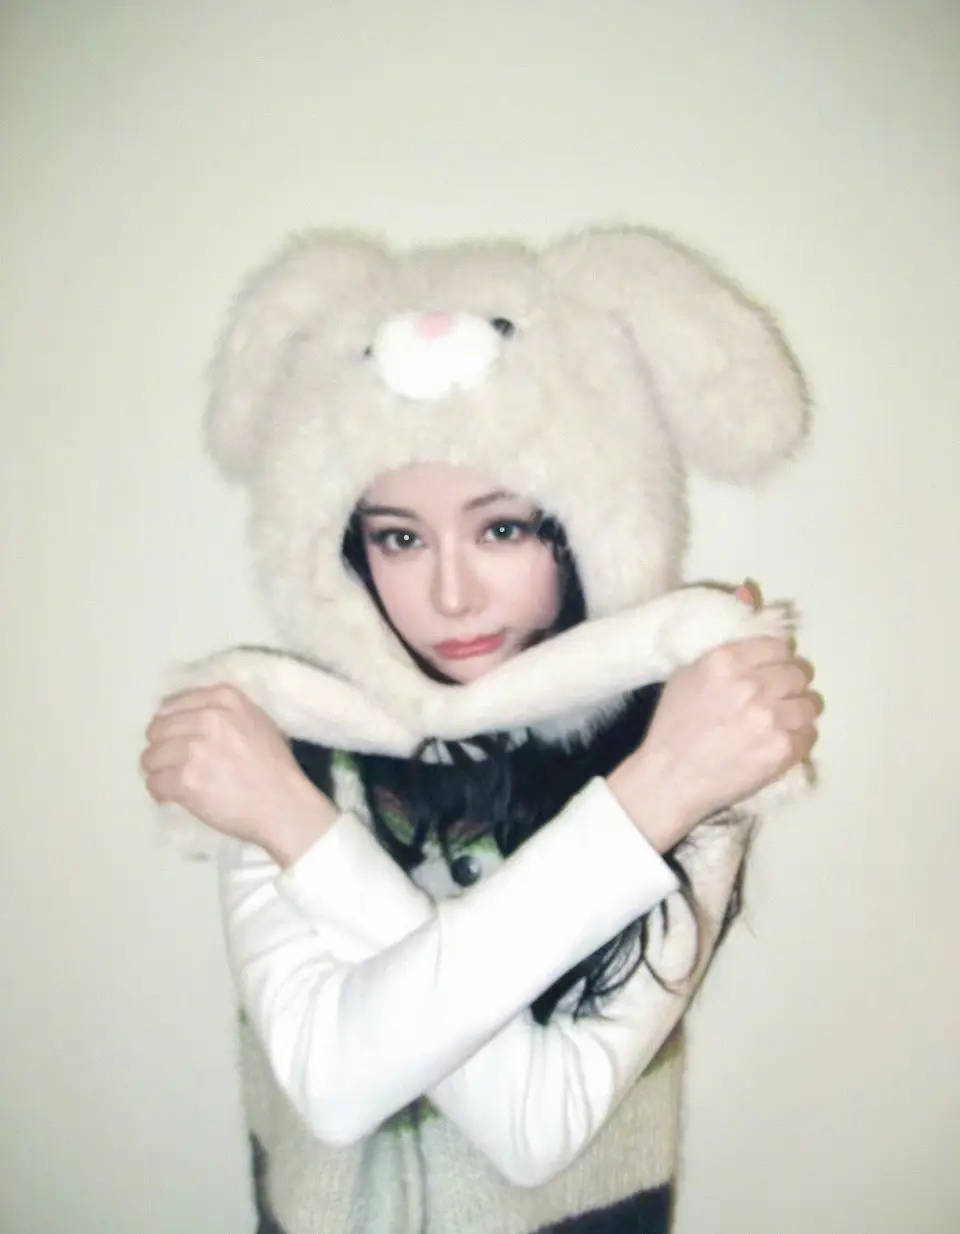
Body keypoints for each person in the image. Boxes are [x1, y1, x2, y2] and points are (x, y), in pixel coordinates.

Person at [141, 228, 817, 1232]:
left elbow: (537, 1127)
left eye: (503, 528)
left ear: (589, 528)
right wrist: (292, 809)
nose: (452, 594)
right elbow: (333, 1086)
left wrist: (663, 784)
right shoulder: (283, 745)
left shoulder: (685, 754)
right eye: (400, 538)